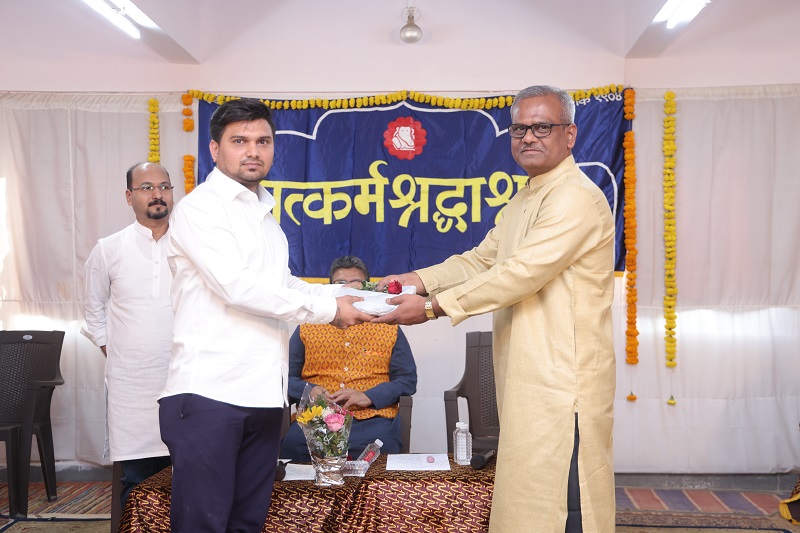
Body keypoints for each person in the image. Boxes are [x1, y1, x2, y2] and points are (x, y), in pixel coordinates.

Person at [375, 85, 616, 533]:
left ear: (570, 135)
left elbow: (520, 274)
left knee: (565, 501)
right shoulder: (526, 198)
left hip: (564, 381)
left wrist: (432, 307)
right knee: (528, 497)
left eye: (542, 127)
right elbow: (482, 260)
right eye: (519, 129)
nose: (528, 137)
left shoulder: (576, 197)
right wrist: (417, 279)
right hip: (527, 376)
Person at [159, 98, 373, 533]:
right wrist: (330, 310)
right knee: (202, 525)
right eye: (239, 141)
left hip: (264, 397)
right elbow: (237, 288)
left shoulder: (264, 218)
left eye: (263, 141)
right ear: (215, 149)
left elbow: (285, 284)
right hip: (211, 394)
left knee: (247, 522)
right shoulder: (201, 209)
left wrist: (360, 296)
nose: (253, 151)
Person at [81, 162, 174, 507]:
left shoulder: (191, 245)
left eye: (164, 187)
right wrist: (114, 349)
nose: (157, 194)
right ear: (128, 196)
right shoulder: (109, 248)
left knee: (190, 477)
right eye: (147, 187)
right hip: (131, 387)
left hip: (184, 381)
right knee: (138, 480)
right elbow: (93, 309)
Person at [280, 255, 417, 462]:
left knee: (383, 448)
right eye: (341, 283)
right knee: (293, 445)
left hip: (372, 420)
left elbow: (407, 380)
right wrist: (310, 390)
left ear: (368, 288)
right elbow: (285, 377)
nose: (349, 288)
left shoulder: (388, 326)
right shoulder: (307, 327)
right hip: (317, 419)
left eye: (356, 283)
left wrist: (369, 396)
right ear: (331, 289)